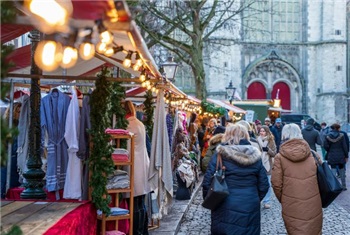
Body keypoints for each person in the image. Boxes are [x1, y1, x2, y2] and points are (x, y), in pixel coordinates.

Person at [202, 124, 269, 234]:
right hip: (250, 203)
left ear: (227, 135)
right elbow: (264, 184)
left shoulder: (220, 155)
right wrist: (254, 198)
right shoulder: (255, 156)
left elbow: (207, 182)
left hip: (224, 202)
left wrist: (211, 199)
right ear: (246, 136)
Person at [271, 123, 323, 235]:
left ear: (284, 135)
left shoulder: (279, 157)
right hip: (313, 201)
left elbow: (276, 184)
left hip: (291, 203)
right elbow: (321, 179)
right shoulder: (313, 154)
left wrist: (284, 198)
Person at [124, 100, 153, 234]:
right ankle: (143, 231)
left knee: (135, 203)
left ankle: (137, 231)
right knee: (141, 202)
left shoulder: (128, 125)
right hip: (142, 165)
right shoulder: (139, 123)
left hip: (134, 167)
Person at [323, 123, 348, 191]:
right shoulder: (341, 135)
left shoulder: (327, 136)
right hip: (341, 155)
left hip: (331, 155)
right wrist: (346, 156)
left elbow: (325, 146)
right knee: (342, 171)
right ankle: (343, 186)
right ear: (337, 128)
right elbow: (344, 147)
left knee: (333, 170)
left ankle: (334, 186)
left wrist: (330, 150)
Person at [257, 125, 277, 209]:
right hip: (258, 164)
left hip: (268, 165)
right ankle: (258, 200)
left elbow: (274, 153)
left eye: (263, 131)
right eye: (261, 131)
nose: (261, 132)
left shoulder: (271, 141)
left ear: (267, 132)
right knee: (258, 183)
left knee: (268, 184)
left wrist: (267, 150)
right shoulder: (257, 140)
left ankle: (267, 201)